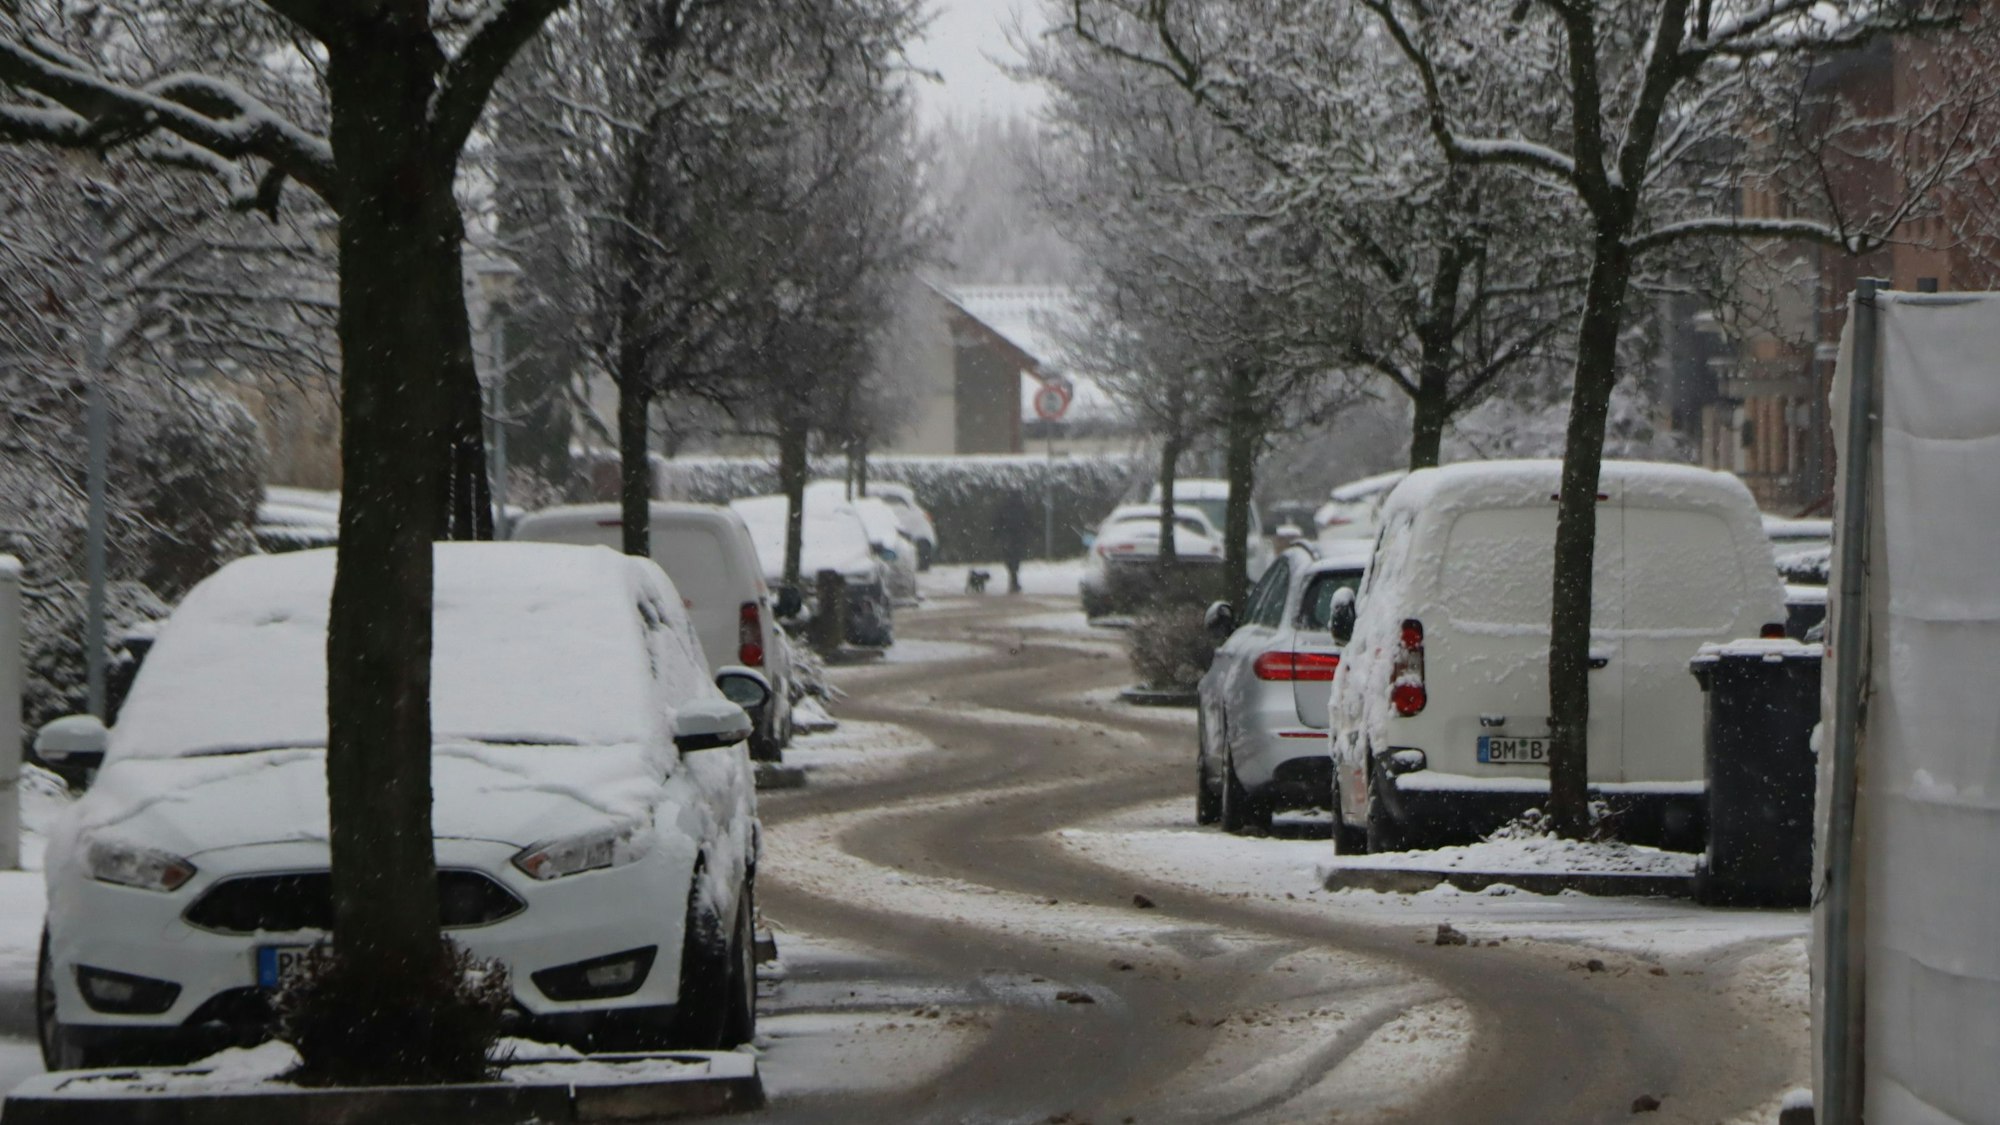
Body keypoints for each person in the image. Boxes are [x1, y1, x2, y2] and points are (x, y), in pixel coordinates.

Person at [991, 489, 1033, 594]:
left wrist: (996, 535)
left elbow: (997, 522)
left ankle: (1013, 575)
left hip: (1007, 537)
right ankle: (1014, 576)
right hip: (1018, 537)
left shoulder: (1004, 507)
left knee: (1009, 558)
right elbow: (1029, 522)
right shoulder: (1022, 507)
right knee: (1016, 558)